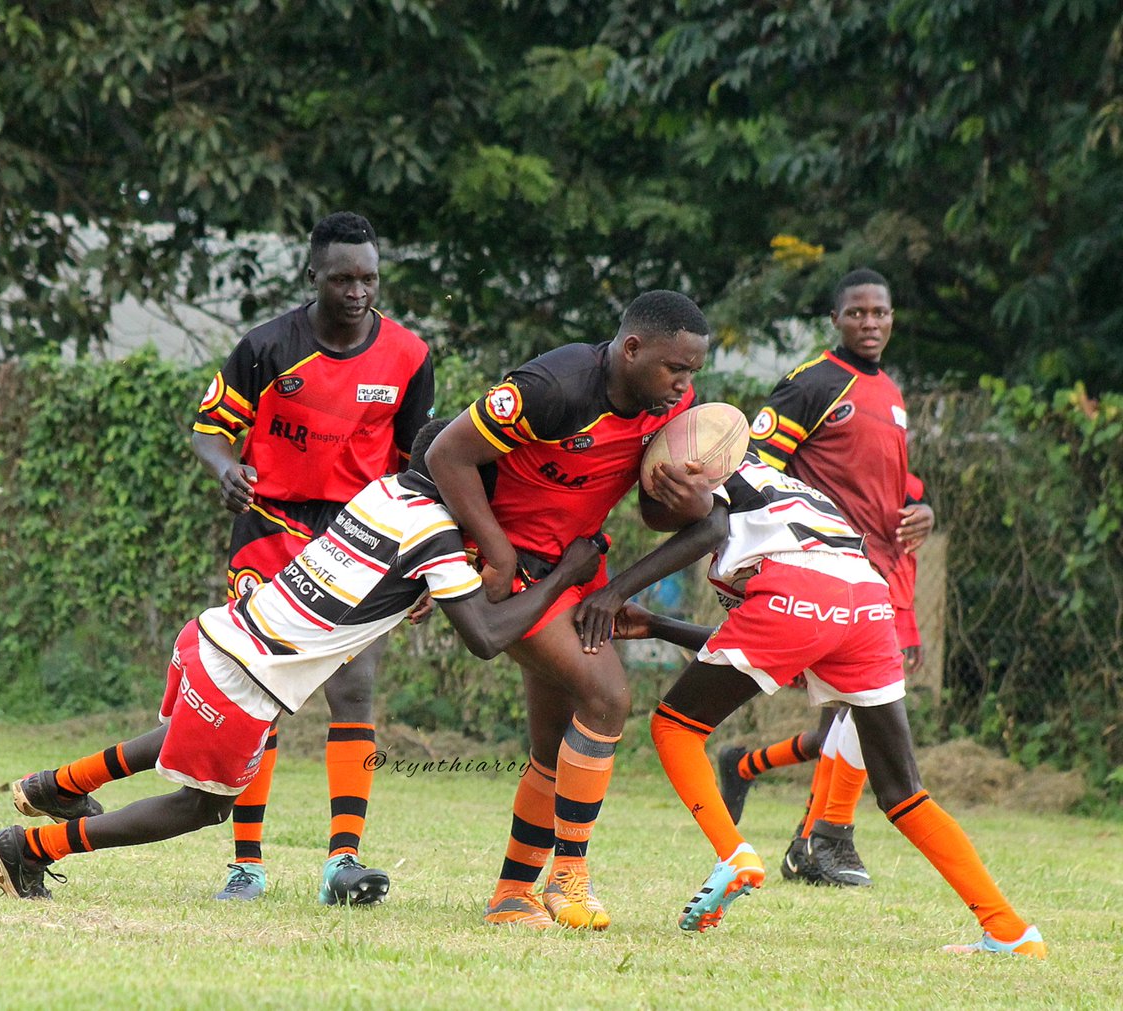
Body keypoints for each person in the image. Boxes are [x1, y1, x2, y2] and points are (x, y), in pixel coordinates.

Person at [0, 420, 606, 902]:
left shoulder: (388, 492)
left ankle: (55, 787)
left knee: (184, 738)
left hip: (210, 635)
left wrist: (425, 592)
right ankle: (33, 848)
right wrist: (565, 577)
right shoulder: (438, 533)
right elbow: (486, 637)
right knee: (204, 804)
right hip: (246, 676)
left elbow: (386, 576)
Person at [573, 449, 1046, 958]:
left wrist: (616, 591)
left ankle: (733, 853)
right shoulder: (779, 487)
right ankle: (1009, 929)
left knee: (674, 726)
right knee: (904, 791)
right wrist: (661, 626)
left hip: (797, 591)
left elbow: (723, 546)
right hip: (867, 597)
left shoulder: (713, 476)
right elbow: (781, 642)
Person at [425, 290, 713, 930]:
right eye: (675, 368)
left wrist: (681, 503)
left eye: (693, 372)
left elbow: (670, 519)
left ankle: (509, 896)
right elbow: (446, 454)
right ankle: (570, 878)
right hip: (517, 570)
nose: (683, 385)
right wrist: (496, 552)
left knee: (554, 747)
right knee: (608, 696)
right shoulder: (552, 387)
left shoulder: (674, 408)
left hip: (580, 566)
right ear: (631, 349)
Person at [190, 210, 433, 902]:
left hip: (363, 536)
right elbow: (211, 430)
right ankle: (246, 863)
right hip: (270, 527)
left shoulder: (411, 356)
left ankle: (343, 862)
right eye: (344, 278)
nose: (358, 291)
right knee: (257, 693)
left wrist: (426, 563)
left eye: (370, 278)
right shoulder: (266, 347)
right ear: (314, 277)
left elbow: (420, 467)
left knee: (353, 690)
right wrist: (223, 469)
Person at [714, 268, 934, 886]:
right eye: (858, 313)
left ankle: (770, 790)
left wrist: (923, 508)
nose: (870, 323)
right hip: (826, 564)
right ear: (835, 320)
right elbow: (752, 466)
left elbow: (888, 482)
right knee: (866, 707)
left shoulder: (889, 391)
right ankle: (821, 841)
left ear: (892, 319)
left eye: (881, 313)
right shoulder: (812, 383)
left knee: (851, 710)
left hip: (882, 569)